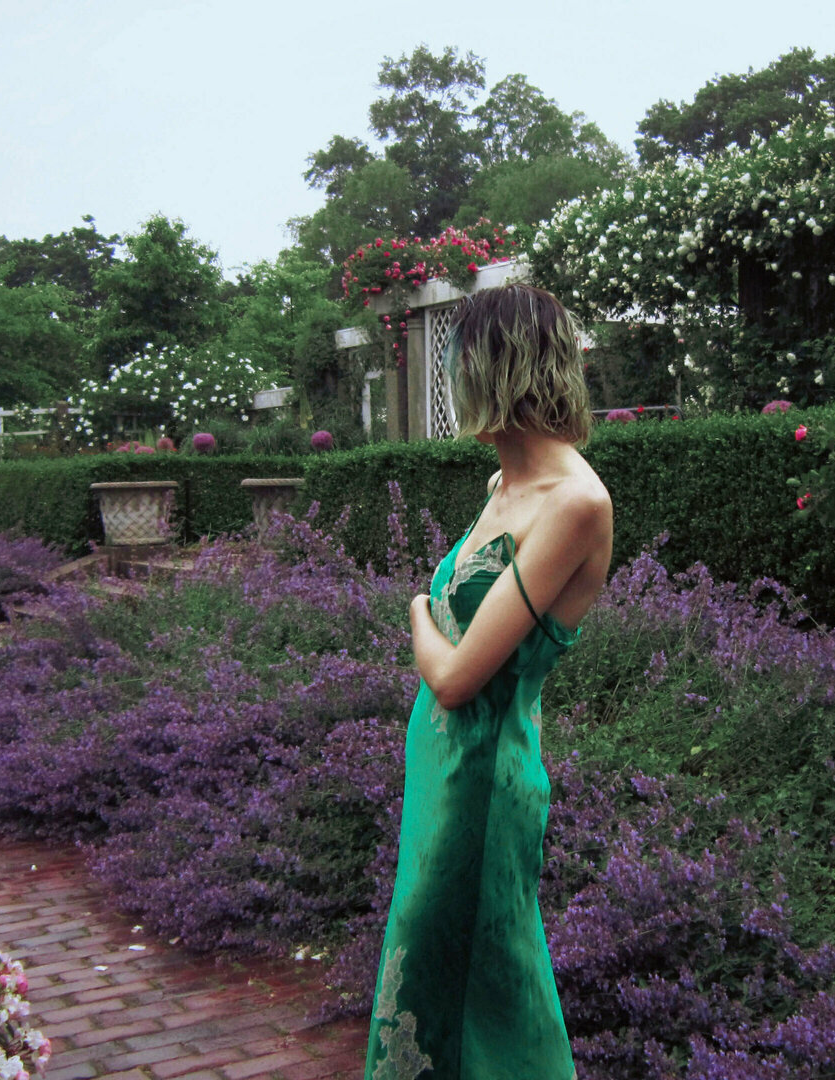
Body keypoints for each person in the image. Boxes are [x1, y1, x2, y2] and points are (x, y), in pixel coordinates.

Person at [364, 283, 613, 1080]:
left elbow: (457, 677)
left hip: (483, 779)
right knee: (432, 969)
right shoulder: (502, 488)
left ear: (498, 368)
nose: (452, 381)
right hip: (441, 769)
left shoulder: (575, 502)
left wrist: (414, 610)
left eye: (458, 364)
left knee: (483, 980)